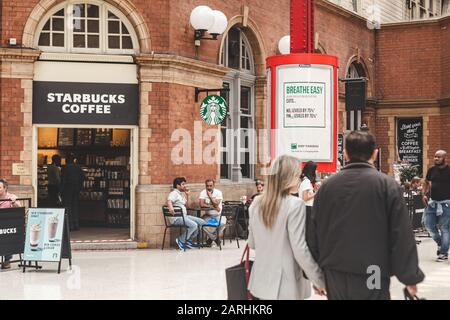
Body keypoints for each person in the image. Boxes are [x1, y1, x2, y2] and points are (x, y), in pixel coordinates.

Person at [308, 131, 424, 300]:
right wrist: (409, 277)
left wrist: (316, 275)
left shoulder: (327, 187)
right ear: (375, 153)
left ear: (345, 154)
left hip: (335, 270)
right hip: (373, 268)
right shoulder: (387, 186)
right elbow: (401, 234)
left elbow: (314, 232)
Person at [247, 155, 326, 300]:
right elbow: (300, 249)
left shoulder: (256, 203)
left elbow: (252, 243)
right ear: (288, 178)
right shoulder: (294, 205)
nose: (299, 179)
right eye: (297, 175)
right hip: (286, 285)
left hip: (260, 282)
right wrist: (318, 280)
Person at [167, 177, 209, 250]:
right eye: (183, 184)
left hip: (184, 216)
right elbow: (169, 201)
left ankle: (188, 240)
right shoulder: (174, 193)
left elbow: (188, 206)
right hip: (177, 218)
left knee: (202, 222)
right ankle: (181, 240)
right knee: (194, 225)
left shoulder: (181, 194)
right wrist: (170, 208)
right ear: (177, 185)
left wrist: (188, 195)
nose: (185, 186)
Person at [423, 150, 450, 262]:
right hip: (432, 203)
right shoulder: (431, 170)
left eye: (438, 157)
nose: (436, 158)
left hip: (446, 204)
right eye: (435, 156)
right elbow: (426, 182)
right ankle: (440, 243)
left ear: (445, 158)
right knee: (429, 225)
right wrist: (424, 194)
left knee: (444, 228)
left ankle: (443, 253)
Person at [0, 179, 21, 270]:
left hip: (8, 226)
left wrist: (13, 202)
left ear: (5, 188)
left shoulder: (12, 197)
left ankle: (7, 260)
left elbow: (19, 208)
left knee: (7, 235)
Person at [61, 154, 84, 231]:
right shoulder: (78, 167)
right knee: (75, 206)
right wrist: (80, 187)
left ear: (67, 160)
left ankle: (69, 225)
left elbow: (63, 180)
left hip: (67, 189)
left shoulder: (65, 168)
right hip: (76, 189)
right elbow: (83, 177)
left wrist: (61, 190)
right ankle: (76, 224)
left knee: (68, 206)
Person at [198, 179, 224, 247]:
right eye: (207, 186)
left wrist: (210, 196)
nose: (209, 187)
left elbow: (216, 204)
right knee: (200, 224)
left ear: (214, 185)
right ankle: (215, 239)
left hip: (218, 215)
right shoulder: (203, 192)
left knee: (223, 224)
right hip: (208, 215)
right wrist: (213, 207)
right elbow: (201, 204)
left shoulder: (218, 192)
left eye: (210, 186)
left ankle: (210, 239)